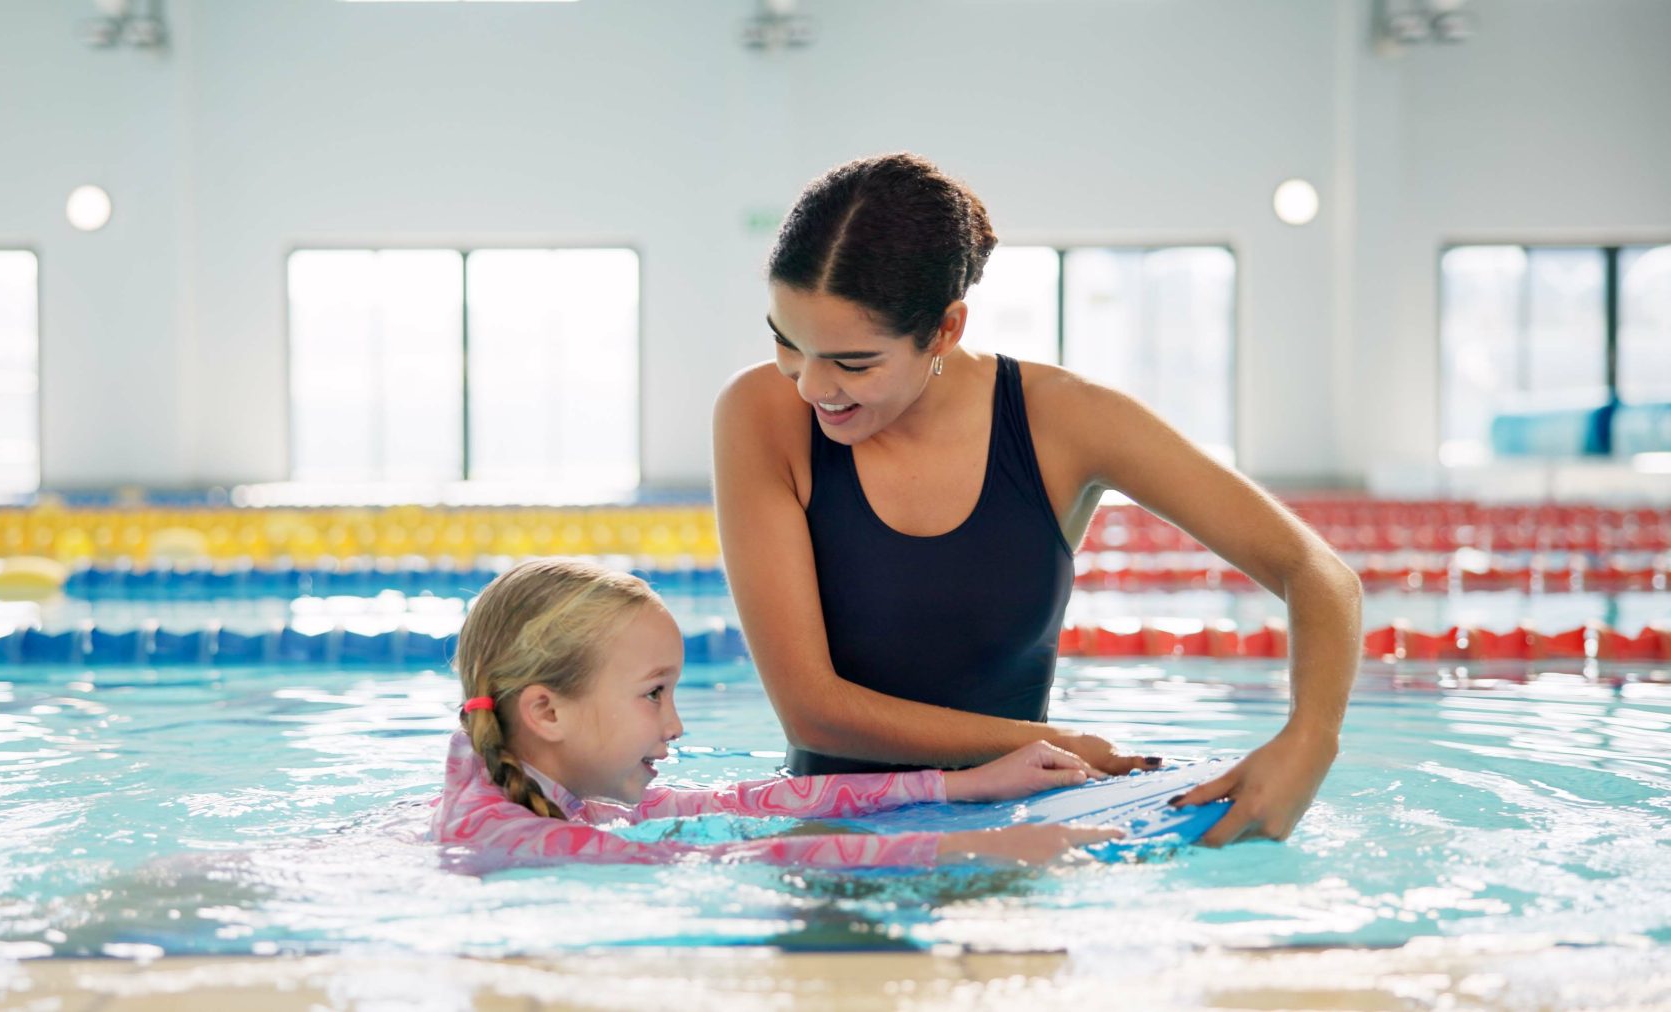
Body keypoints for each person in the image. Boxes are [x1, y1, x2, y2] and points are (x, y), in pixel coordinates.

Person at [711, 152, 1363, 846]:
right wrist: (1051, 741)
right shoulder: (760, 414)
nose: (811, 386)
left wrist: (1311, 737)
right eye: (787, 343)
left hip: (1019, 840)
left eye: (853, 363)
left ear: (944, 330)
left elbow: (1319, 574)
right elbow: (814, 711)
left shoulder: (1065, 422)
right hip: (834, 840)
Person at [428, 558, 1122, 872]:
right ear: (546, 711)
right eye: (653, 694)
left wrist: (964, 784)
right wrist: (973, 847)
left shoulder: (536, 790)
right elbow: (732, 853)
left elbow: (745, 800)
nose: (676, 726)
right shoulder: (511, 835)